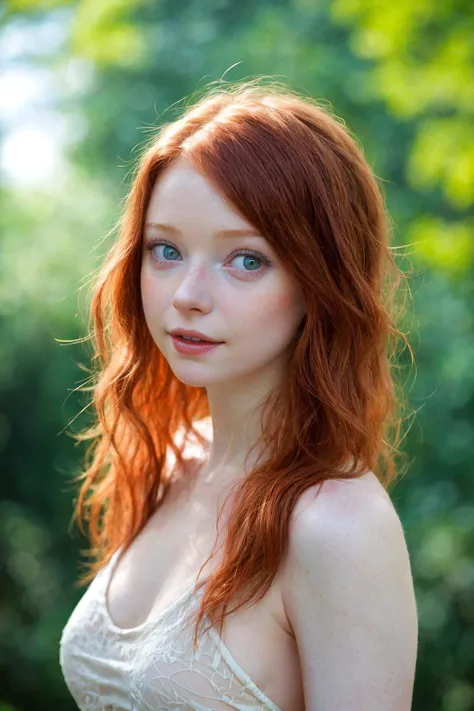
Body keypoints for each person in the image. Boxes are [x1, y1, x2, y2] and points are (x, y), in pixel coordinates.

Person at [59, 79, 418, 711]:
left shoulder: (337, 526)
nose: (187, 294)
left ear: (320, 281)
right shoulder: (172, 460)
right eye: (165, 250)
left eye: (246, 260)